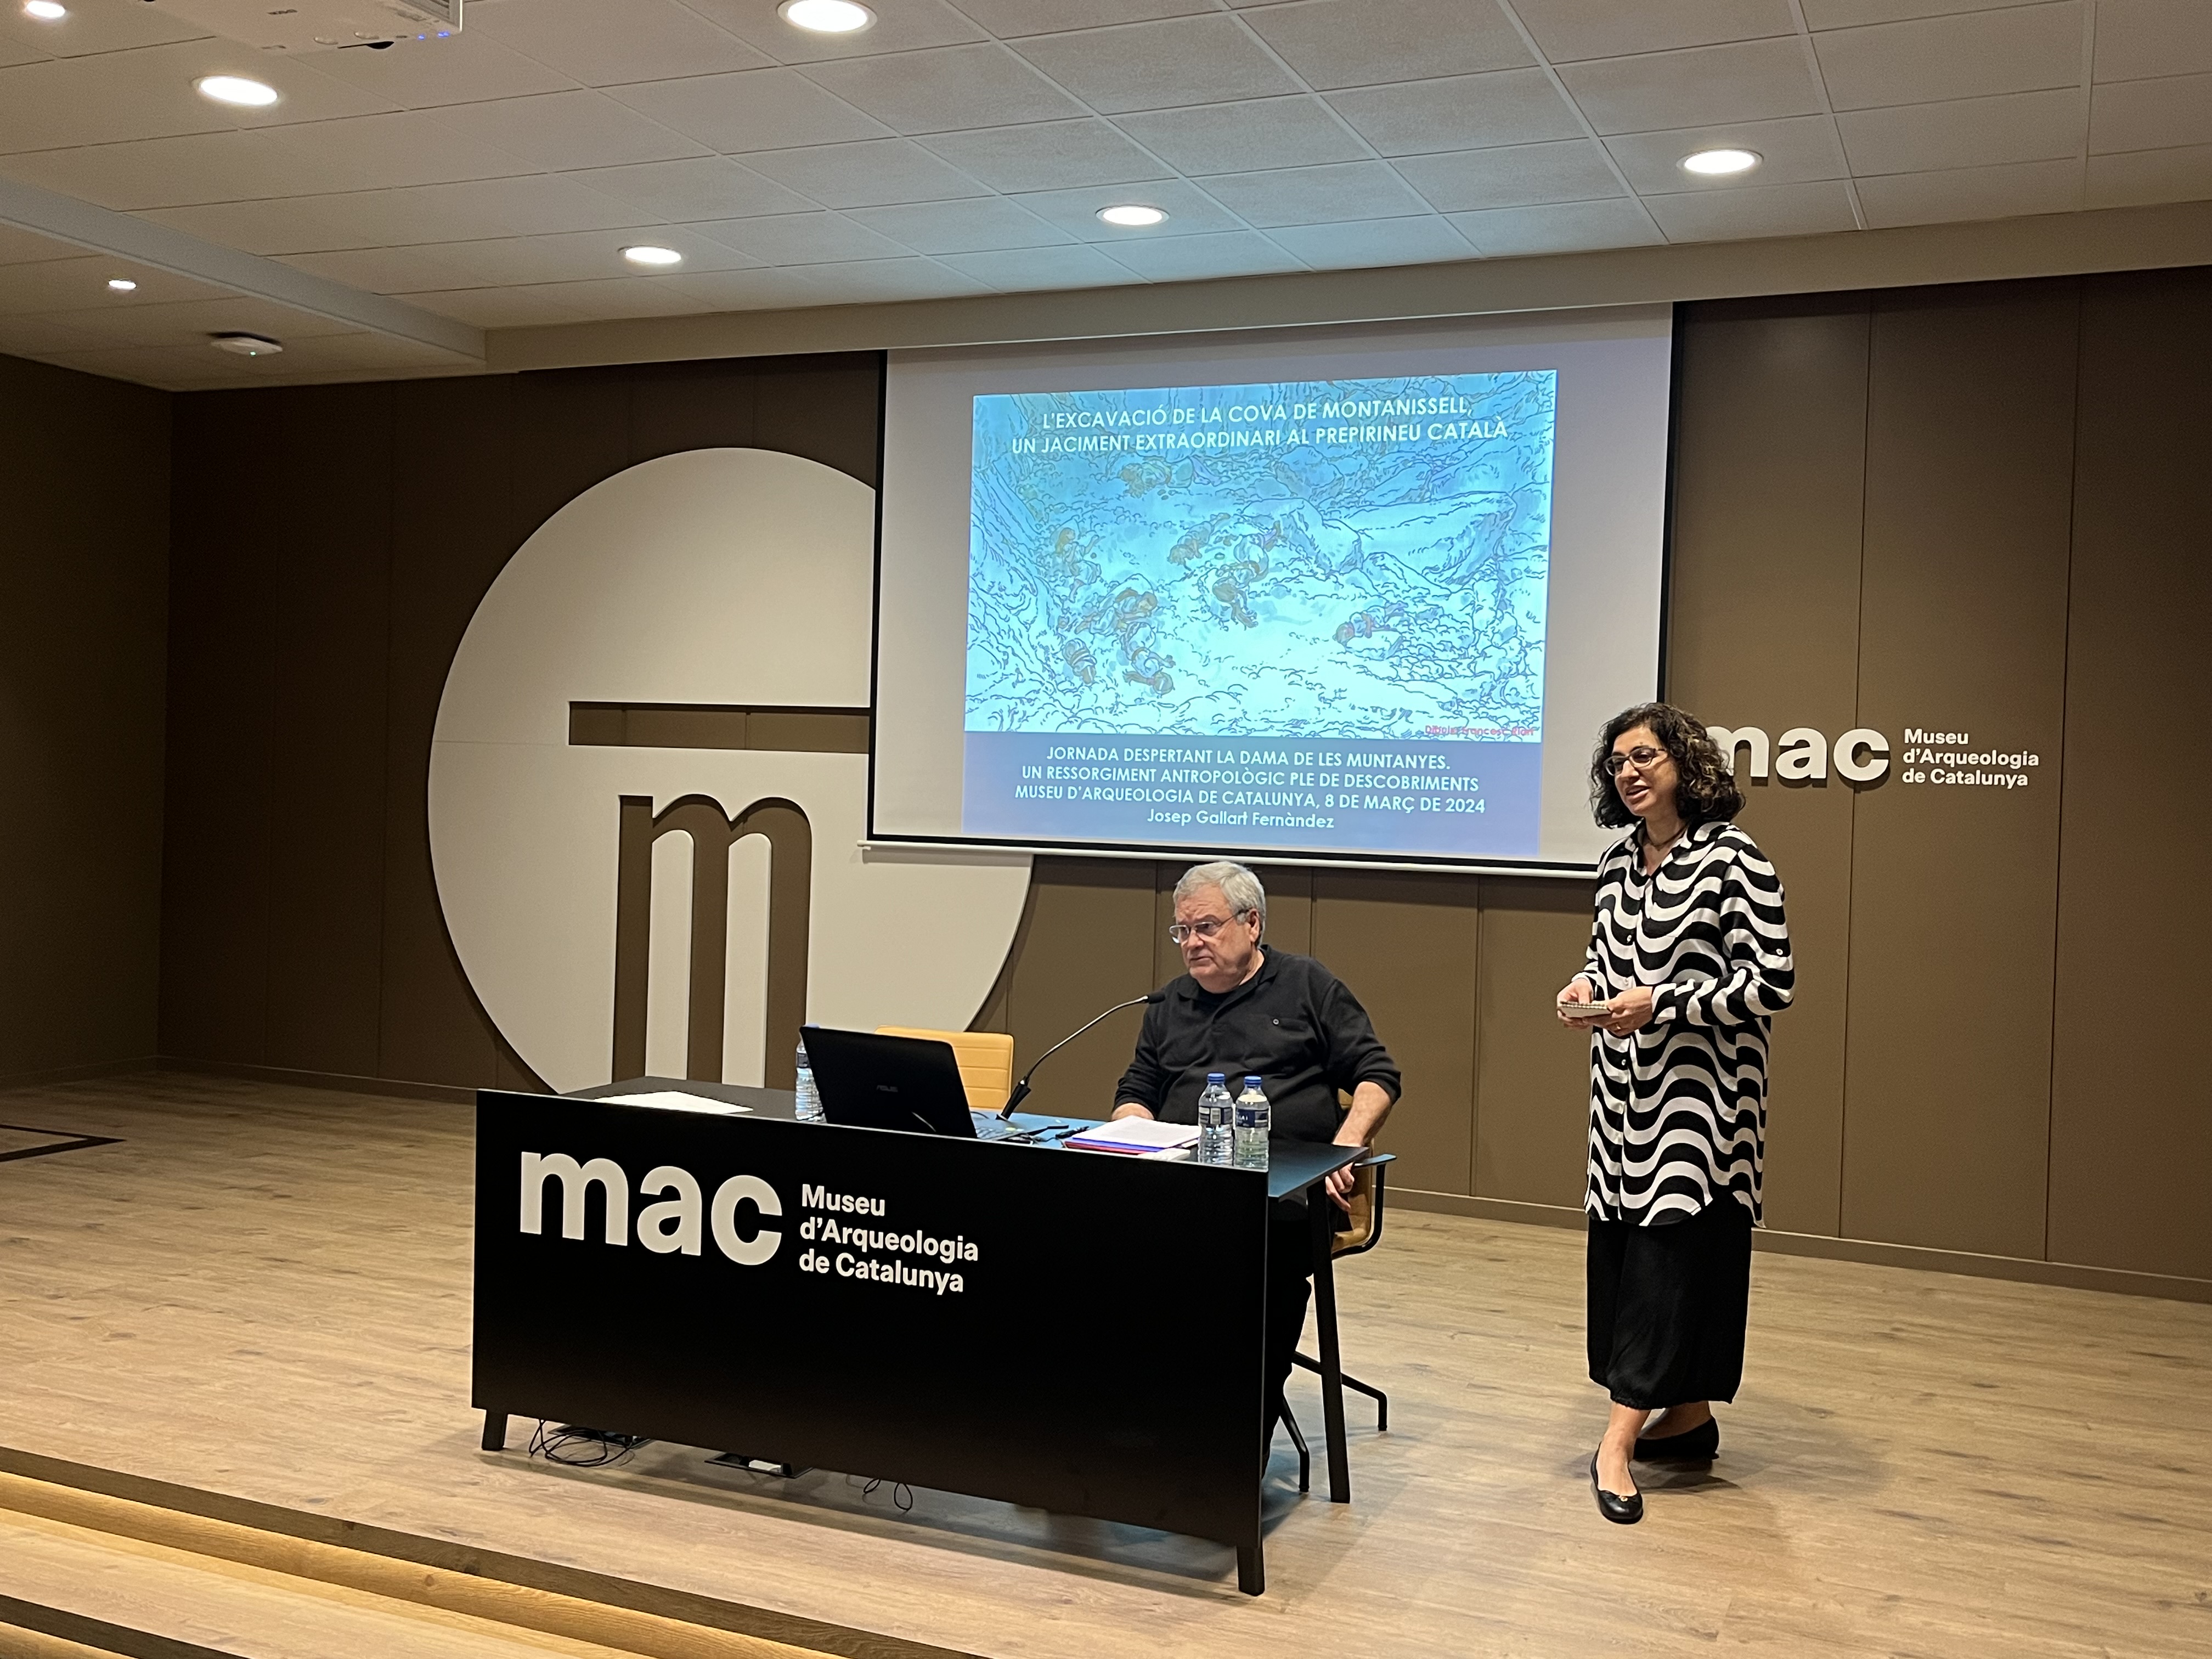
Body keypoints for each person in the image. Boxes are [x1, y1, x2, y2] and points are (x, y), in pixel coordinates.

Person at [1558, 703, 1793, 1526]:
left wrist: (1661, 1002)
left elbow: (1771, 983)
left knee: (1668, 1263)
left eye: (1644, 756)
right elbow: (1606, 960)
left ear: (1686, 764)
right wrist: (1587, 988)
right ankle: (1687, 1418)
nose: (1628, 772)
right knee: (1627, 1257)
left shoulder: (1735, 860)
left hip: (1702, 1105)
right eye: (1617, 761)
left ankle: (1617, 1443)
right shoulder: (1617, 861)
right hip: (1622, 1099)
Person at [1112, 860, 1400, 1440]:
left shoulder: (1306, 985)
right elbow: (1135, 1090)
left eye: (1206, 927)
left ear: (1252, 924)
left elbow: (1377, 1075)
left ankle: (1234, 1451)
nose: (1192, 943)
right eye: (1182, 930)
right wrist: (1133, 1133)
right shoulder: (1168, 1003)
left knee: (1259, 1281)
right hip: (1182, 1186)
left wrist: (1344, 1148)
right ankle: (1122, 1435)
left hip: (1281, 1197)